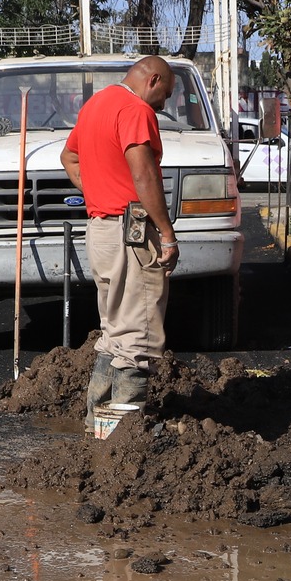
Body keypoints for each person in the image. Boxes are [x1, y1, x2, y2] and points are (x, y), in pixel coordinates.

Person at [62, 56, 179, 412]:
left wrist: (96, 189)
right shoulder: (135, 109)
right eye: (167, 93)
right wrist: (167, 233)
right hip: (131, 231)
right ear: (153, 80)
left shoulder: (95, 105)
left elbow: (69, 157)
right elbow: (144, 176)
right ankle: (122, 435)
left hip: (101, 231)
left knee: (113, 331)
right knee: (138, 333)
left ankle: (97, 418)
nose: (165, 103)